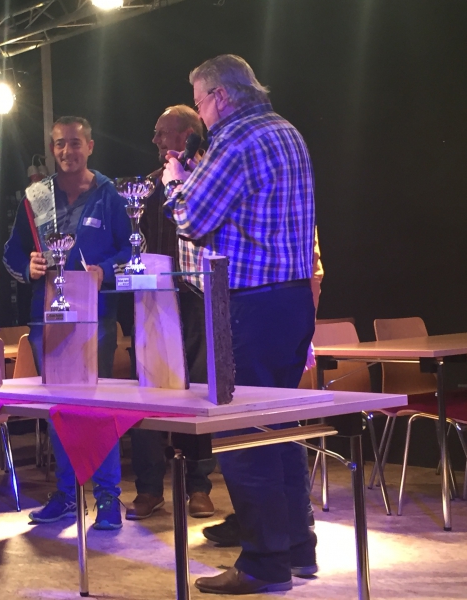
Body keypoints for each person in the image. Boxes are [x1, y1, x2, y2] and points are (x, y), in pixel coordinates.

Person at [162, 55, 317, 594]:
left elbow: (192, 219)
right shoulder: (288, 132)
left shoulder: (234, 139)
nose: (201, 115)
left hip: (249, 306)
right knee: (280, 428)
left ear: (221, 96)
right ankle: (297, 549)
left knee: (242, 434)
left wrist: (176, 181)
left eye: (200, 102)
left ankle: (264, 564)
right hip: (293, 301)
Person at [3, 116, 131, 530]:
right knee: (59, 408)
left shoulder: (110, 194)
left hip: (97, 315)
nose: (66, 151)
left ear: (90, 146)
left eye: (75, 143)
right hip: (48, 317)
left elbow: (132, 249)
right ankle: (66, 493)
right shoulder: (37, 196)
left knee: (99, 407)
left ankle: (108, 496)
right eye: (59, 144)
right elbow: (12, 254)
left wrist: (104, 271)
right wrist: (29, 267)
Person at [125, 105, 216, 521]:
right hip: (153, 300)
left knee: (198, 391)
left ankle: (199, 485)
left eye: (163, 133)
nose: (156, 141)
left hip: (199, 299)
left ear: (188, 135)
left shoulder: (211, 179)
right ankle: (148, 488)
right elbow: (134, 242)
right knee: (147, 393)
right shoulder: (146, 187)